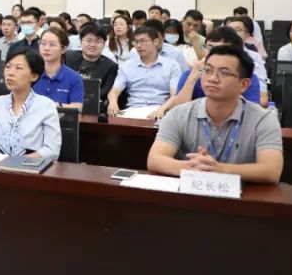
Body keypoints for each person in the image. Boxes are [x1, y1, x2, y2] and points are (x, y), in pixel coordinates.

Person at [147, 45, 283, 183]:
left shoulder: (263, 120)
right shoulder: (179, 114)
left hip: (243, 194)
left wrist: (219, 169)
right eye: (207, 70)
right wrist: (192, 167)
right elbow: (155, 159)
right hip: (191, 190)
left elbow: (271, 171)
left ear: (244, 84)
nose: (212, 78)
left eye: (224, 73)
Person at [149, 27, 265, 119]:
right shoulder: (191, 74)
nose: (213, 53)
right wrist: (193, 78)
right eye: (209, 47)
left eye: (220, 49)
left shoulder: (246, 77)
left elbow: (251, 113)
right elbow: (180, 110)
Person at [0, 50, 62, 161]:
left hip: (31, 167)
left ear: (34, 76)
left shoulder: (46, 106)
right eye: (8, 67)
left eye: (18, 68)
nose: (10, 73)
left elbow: (52, 151)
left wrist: (16, 162)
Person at [107, 25, 181, 116]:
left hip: (160, 110)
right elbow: (114, 90)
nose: (138, 45)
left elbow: (175, 95)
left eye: (143, 41)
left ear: (155, 41)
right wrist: (113, 103)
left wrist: (162, 109)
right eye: (136, 41)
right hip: (133, 109)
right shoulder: (126, 66)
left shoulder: (172, 65)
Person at [64, 24, 118, 113]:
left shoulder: (111, 66)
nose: (92, 45)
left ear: (104, 44)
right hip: (65, 104)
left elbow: (104, 92)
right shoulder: (67, 57)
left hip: (92, 107)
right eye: (88, 40)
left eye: (97, 41)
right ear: (80, 42)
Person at [34, 27, 84, 109]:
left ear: (63, 49)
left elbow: (78, 107)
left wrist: (55, 106)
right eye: (43, 43)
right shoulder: (31, 74)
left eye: (52, 44)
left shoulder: (74, 78)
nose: (46, 48)